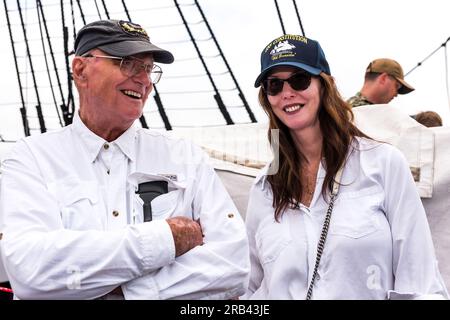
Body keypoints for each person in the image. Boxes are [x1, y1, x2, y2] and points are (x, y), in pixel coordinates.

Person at [0, 19, 249, 299]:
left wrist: (126, 292)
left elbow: (233, 264)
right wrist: (166, 239)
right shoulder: (31, 157)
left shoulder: (186, 157)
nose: (143, 80)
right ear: (80, 69)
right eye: (127, 63)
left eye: (148, 69)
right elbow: (31, 272)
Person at [243, 34, 448, 299]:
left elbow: (420, 284)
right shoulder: (264, 188)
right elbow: (250, 288)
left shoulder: (383, 164)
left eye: (299, 80)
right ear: (267, 97)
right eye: (274, 85)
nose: (287, 93)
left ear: (325, 85)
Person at [347, 58, 415, 108]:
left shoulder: (343, 110)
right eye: (396, 86)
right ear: (383, 78)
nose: (396, 94)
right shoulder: (364, 113)